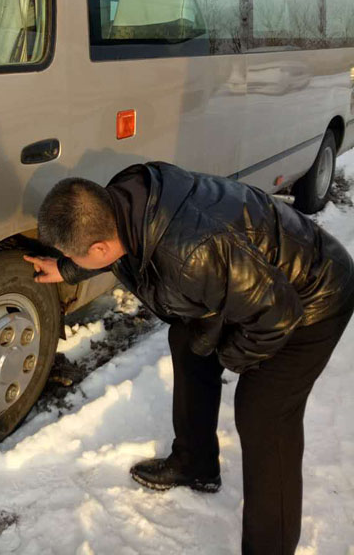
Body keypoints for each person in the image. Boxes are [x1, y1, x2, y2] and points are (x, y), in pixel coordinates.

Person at [24, 161, 354, 555]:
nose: (70, 258)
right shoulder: (123, 203)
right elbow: (116, 250)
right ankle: (196, 463)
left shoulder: (190, 253)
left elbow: (277, 315)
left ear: (97, 249)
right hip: (249, 280)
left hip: (313, 297)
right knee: (188, 341)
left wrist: (231, 355)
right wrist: (66, 267)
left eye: (71, 253)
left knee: (264, 413)